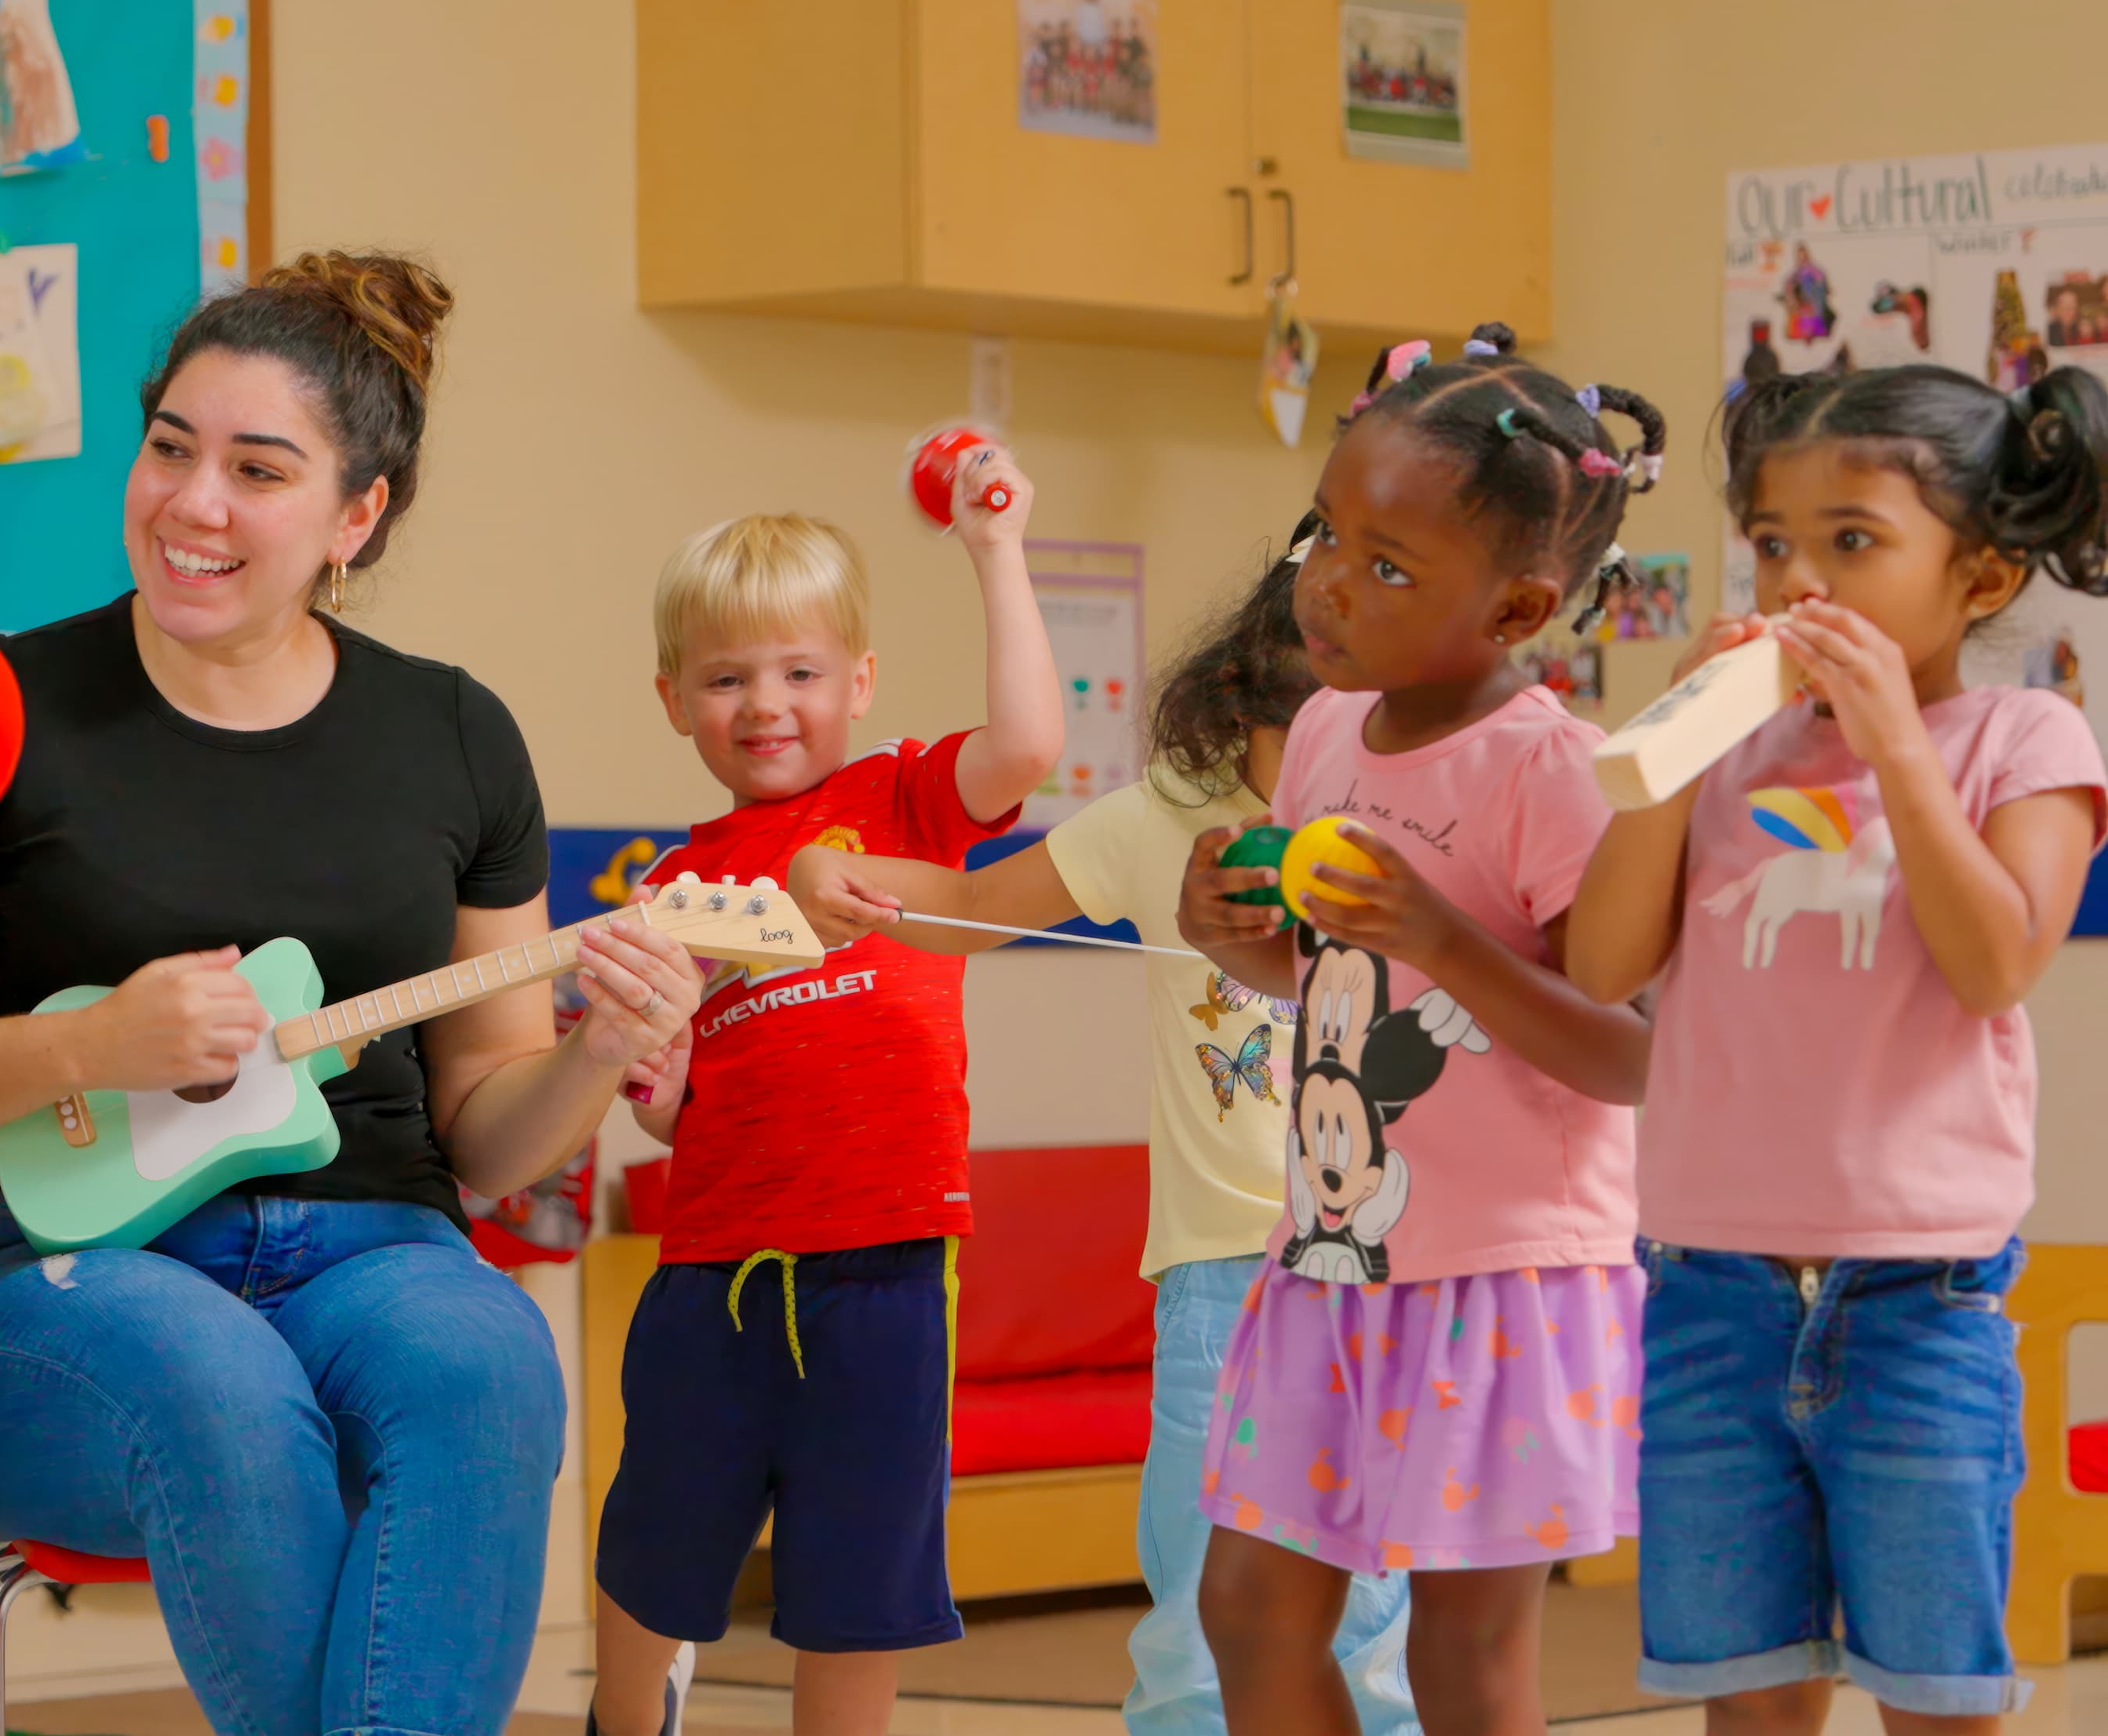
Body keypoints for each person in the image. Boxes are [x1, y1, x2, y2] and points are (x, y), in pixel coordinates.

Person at [0, 252, 701, 1736]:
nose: (193, 502)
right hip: (29, 1282)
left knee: (490, 1357)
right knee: (217, 1378)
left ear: (356, 515)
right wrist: (87, 1041)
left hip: (371, 1251)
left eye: (259, 469)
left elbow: (485, 1137)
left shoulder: (453, 735)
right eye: (170, 447)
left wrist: (599, 1054)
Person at [784, 537, 1423, 1735]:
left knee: (1369, 1627)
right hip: (1221, 1282)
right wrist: (841, 872)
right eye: (1303, 740)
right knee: (1193, 1625)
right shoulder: (1164, 818)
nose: (1320, 775)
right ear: (1242, 706)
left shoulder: (1409, 821)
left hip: (1378, 1276)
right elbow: (972, 911)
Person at [1567, 364, 2108, 1733]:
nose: (1798, 578)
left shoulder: (2023, 734)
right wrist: (1665, 756)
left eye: (1851, 542)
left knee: (1934, 1691)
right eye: (1771, 541)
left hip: (1916, 1303)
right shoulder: (1729, 757)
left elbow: (1997, 960)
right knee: (1745, 1694)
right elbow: (1604, 962)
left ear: (1980, 578)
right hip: (1709, 1292)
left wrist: (1895, 751)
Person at [1174, 324, 1664, 1736]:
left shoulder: (1554, 772)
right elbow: (1333, 980)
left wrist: (1443, 936)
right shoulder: (1327, 730)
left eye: (1387, 565)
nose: (1328, 582)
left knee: (1465, 1659)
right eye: (1327, 532)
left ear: (1517, 611)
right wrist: (1241, 939)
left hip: (1503, 1281)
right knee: (1249, 1613)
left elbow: (1630, 1051)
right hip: (1332, 1259)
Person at [589, 463, 1069, 1736]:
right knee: (654, 1551)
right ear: (674, 699)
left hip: (888, 1269)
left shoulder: (901, 798)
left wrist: (994, 547)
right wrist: (660, 1077)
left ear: (858, 681)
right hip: (713, 1270)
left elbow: (1028, 745)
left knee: (859, 1591)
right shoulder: (678, 878)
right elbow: (660, 1107)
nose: (766, 705)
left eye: (801, 672)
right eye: (727, 677)